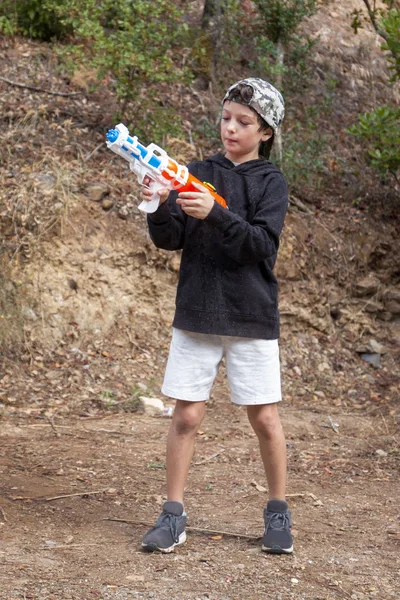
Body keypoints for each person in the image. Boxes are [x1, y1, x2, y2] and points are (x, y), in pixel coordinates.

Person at [140, 78, 293, 555]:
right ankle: (173, 515)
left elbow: (261, 246)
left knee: (265, 418)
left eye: (243, 122)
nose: (231, 128)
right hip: (197, 313)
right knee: (185, 416)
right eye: (226, 117)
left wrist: (216, 213)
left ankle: (278, 512)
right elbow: (170, 239)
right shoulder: (196, 172)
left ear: (265, 132)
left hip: (250, 316)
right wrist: (159, 203)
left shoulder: (271, 183)